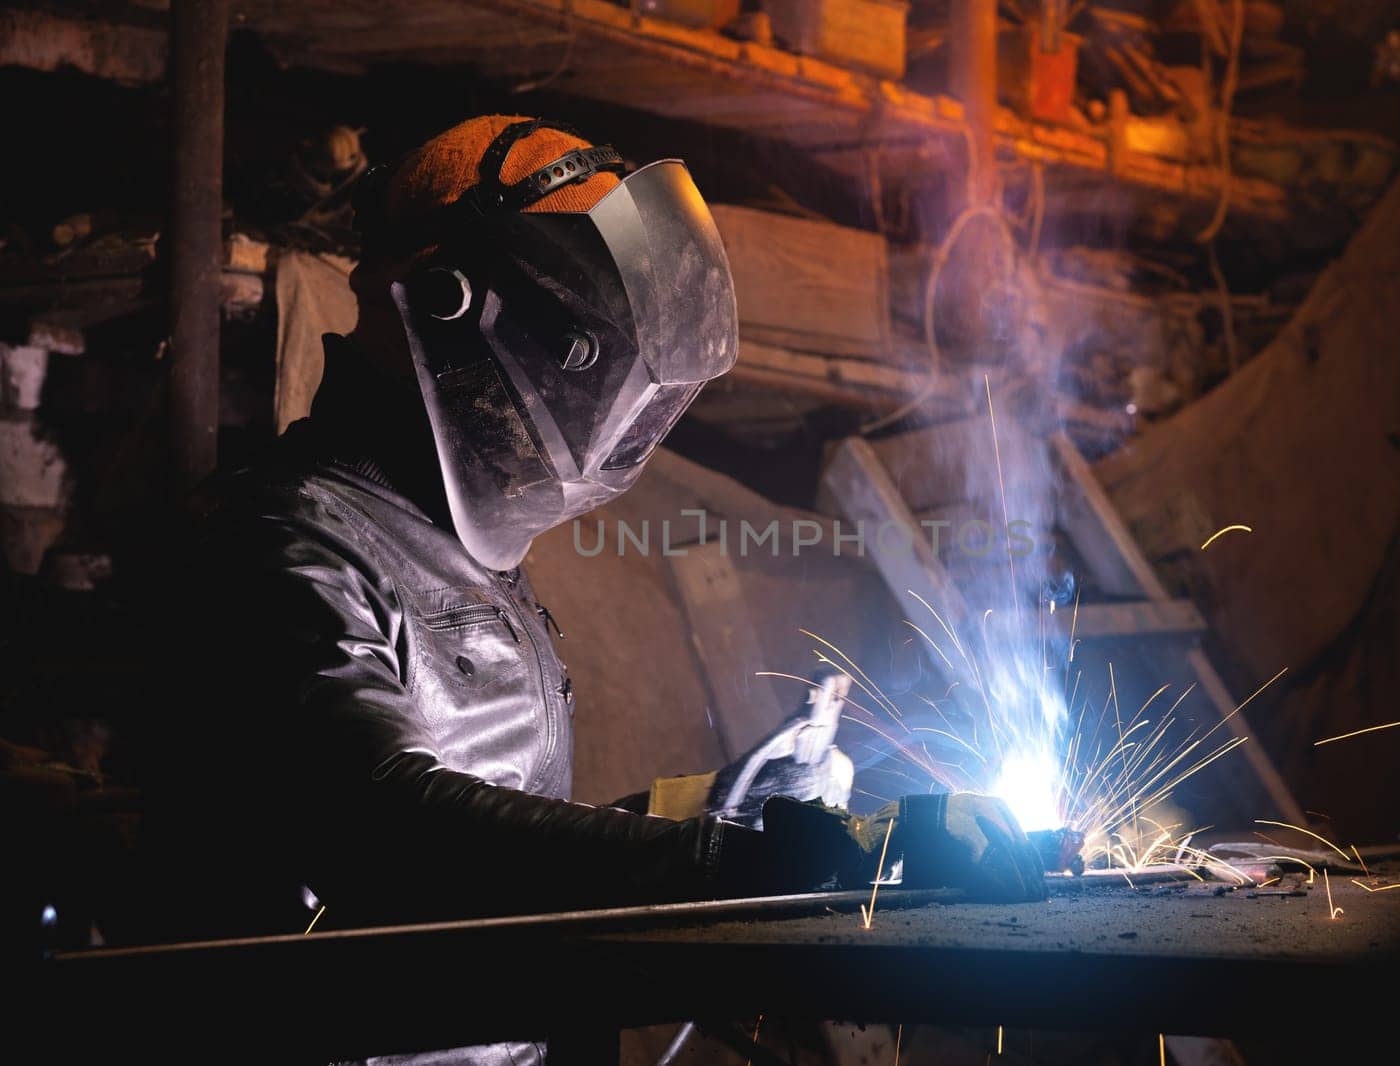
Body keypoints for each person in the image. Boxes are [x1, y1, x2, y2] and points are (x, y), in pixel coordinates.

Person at [144, 116, 1044, 959]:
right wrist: (712, 865)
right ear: (447, 310)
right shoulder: (281, 543)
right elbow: (383, 830)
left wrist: (723, 818)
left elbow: (503, 859)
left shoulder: (462, 555)